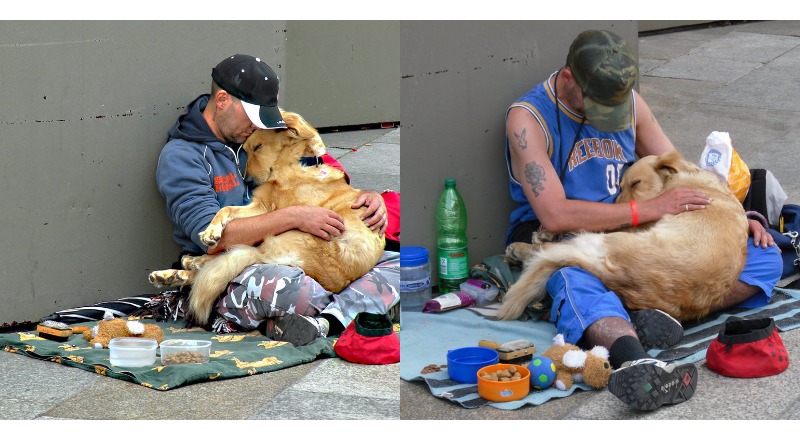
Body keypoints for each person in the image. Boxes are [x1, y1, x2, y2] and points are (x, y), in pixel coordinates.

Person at [504, 30, 782, 410]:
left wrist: (734, 219)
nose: (610, 117)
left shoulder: (629, 101)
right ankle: (635, 358)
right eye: (598, 107)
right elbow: (554, 212)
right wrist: (644, 211)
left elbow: (678, 169)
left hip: (642, 234)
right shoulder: (528, 119)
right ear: (569, 78)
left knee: (766, 253)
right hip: (562, 231)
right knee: (572, 280)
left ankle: (653, 309)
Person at [156, 54, 399, 346]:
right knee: (294, 290)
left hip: (303, 252)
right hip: (234, 266)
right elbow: (214, 238)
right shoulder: (183, 156)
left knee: (408, 265)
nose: (257, 127)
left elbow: (320, 171)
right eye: (253, 117)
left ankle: (323, 321)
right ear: (222, 100)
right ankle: (349, 309)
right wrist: (295, 217)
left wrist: (367, 198)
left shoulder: (254, 132)